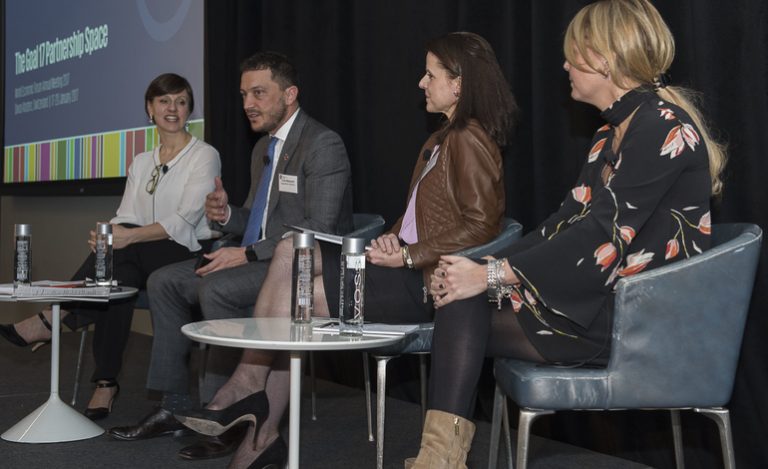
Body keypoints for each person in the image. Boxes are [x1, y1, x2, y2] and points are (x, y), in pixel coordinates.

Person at [173, 31, 517, 469]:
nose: (421, 83)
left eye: (430, 75)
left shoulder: (470, 137)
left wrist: (409, 255)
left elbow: (482, 223)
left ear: (459, 83)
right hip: (404, 269)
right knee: (292, 264)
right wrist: (393, 238)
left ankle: (249, 396)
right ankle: (258, 428)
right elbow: (420, 216)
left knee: (291, 284)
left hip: (425, 285)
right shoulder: (441, 139)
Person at [405, 1, 727, 467]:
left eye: (573, 55)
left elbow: (601, 234)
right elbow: (561, 225)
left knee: (463, 303)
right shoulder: (609, 135)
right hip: (599, 301)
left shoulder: (661, 126)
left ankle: (439, 461)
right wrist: (478, 269)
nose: (564, 66)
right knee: (461, 299)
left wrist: (493, 275)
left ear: (603, 60)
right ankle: (439, 460)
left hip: (638, 319)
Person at [106, 51, 354, 459]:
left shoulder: (322, 143)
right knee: (165, 281)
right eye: (243, 95)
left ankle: (224, 415)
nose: (248, 104)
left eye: (259, 93)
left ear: (290, 94)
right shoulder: (264, 148)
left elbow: (320, 229)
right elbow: (254, 218)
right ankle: (174, 405)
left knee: (216, 289)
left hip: (300, 268)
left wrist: (249, 254)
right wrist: (225, 215)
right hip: (260, 256)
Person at [0, 73, 221, 421]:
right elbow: (126, 216)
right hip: (140, 256)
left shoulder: (204, 156)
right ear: (149, 109)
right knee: (118, 277)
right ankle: (105, 381)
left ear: (189, 110)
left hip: (188, 253)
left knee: (120, 254)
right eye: (164, 101)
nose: (173, 108)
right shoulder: (142, 161)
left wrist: (125, 238)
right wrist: (108, 238)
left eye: (181, 101)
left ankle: (55, 318)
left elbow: (183, 221)